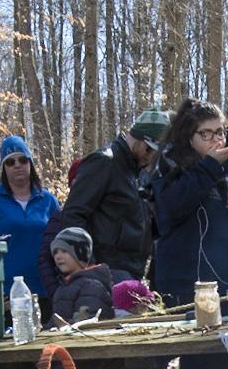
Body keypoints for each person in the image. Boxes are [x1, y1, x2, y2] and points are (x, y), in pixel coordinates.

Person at [151, 100, 228, 307]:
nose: (215, 140)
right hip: (186, 286)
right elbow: (170, 209)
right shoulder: (171, 166)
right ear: (189, 138)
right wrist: (209, 167)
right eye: (205, 134)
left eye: (220, 133)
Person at [62, 108, 166, 281]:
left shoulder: (135, 171)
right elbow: (73, 214)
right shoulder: (104, 162)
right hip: (107, 270)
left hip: (131, 270)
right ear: (144, 142)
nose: (151, 159)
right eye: (152, 152)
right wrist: (89, 267)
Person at [0, 135, 63, 292]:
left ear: (30, 163)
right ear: (4, 167)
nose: (17, 165)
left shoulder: (48, 200)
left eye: (22, 160)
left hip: (46, 287)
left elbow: (62, 242)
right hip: (7, 289)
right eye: (10, 162)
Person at [45, 228, 117, 325]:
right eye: (55, 252)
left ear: (80, 253)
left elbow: (85, 323)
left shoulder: (91, 286)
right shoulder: (64, 287)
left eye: (64, 251)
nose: (58, 256)